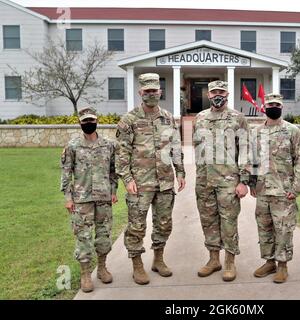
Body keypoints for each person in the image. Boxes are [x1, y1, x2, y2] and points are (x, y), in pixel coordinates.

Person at [115, 73, 186, 285]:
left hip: (164, 181)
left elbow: (175, 147)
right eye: (147, 91)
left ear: (160, 92)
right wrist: (127, 179)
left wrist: (180, 172)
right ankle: (137, 265)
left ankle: (158, 259)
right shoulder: (129, 120)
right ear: (140, 93)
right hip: (140, 183)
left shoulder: (167, 117)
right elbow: (122, 153)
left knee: (163, 224)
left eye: (154, 91)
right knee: (136, 225)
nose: (151, 94)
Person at [193, 80, 249, 281]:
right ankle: (213, 259)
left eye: (222, 91)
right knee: (208, 221)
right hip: (204, 181)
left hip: (229, 182)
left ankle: (229, 262)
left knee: (228, 222)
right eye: (214, 91)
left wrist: (243, 181)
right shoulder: (199, 118)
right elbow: (197, 148)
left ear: (227, 94)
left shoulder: (238, 118)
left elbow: (244, 150)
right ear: (208, 95)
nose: (218, 95)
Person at [249, 93, 300, 283]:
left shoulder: (292, 131)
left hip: (284, 190)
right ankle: (269, 262)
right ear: (264, 107)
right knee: (264, 228)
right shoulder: (256, 132)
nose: (273, 107)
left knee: (283, 229)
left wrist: (297, 186)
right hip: (263, 190)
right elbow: (252, 159)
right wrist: (251, 183)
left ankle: (282, 265)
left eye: (277, 104)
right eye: (270, 104)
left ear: (282, 107)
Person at [60, 106, 118, 293]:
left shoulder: (109, 145)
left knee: (103, 236)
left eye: (91, 120)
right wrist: (68, 198)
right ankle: (86, 274)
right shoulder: (72, 146)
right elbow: (66, 173)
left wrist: (113, 191)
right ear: (80, 123)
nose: (89, 124)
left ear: (97, 121)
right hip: (81, 199)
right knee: (83, 237)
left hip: (103, 197)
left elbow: (113, 171)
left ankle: (101, 268)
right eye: (85, 121)